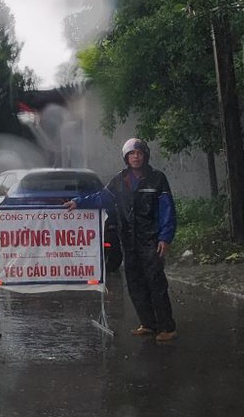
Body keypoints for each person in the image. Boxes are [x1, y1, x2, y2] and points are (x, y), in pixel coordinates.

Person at [65, 138, 178, 342]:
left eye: (139, 153)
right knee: (135, 283)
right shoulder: (119, 180)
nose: (136, 157)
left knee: (156, 282)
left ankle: (167, 327)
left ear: (145, 156)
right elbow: (102, 197)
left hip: (151, 239)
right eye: (132, 154)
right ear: (126, 157)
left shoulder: (157, 179)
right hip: (128, 240)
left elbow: (167, 209)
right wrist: (78, 203)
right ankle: (148, 324)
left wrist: (165, 237)